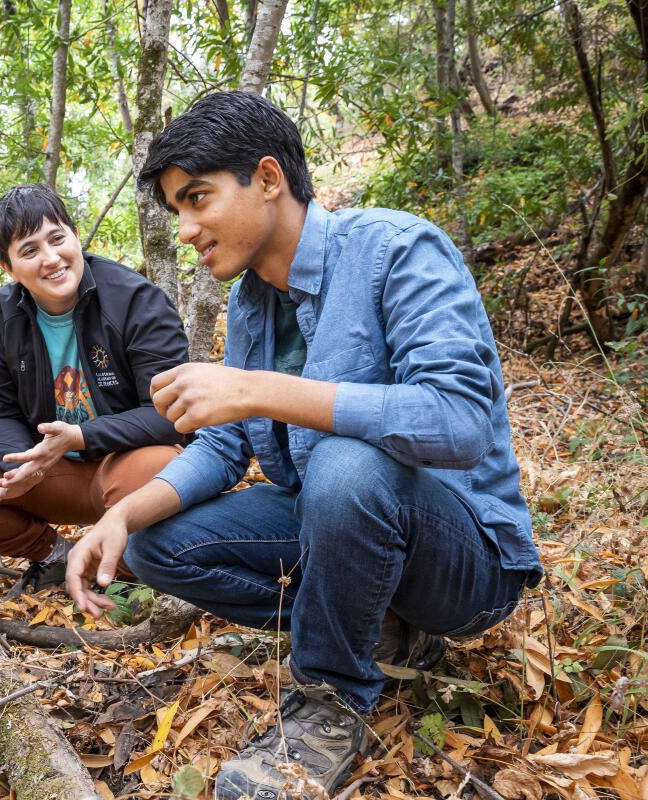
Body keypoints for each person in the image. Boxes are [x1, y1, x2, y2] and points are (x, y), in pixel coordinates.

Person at [65, 91, 542, 799]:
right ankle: (382, 634)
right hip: (339, 524)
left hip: (466, 560)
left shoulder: (395, 248)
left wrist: (260, 389)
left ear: (267, 177)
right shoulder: (250, 301)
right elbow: (224, 450)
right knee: (153, 542)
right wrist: (120, 517)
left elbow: (460, 419)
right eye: (176, 210)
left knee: (350, 466)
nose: (187, 229)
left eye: (198, 198)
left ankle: (330, 700)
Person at [0, 184, 188, 592]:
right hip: (52, 472)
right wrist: (20, 467)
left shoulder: (135, 300)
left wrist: (80, 435)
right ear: (8, 268)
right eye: (29, 251)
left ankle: (120, 573)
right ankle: (54, 556)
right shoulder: (1, 317)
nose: (51, 258)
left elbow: (170, 417)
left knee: (160, 467)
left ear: (76, 235)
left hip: (123, 465)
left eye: (57, 239)